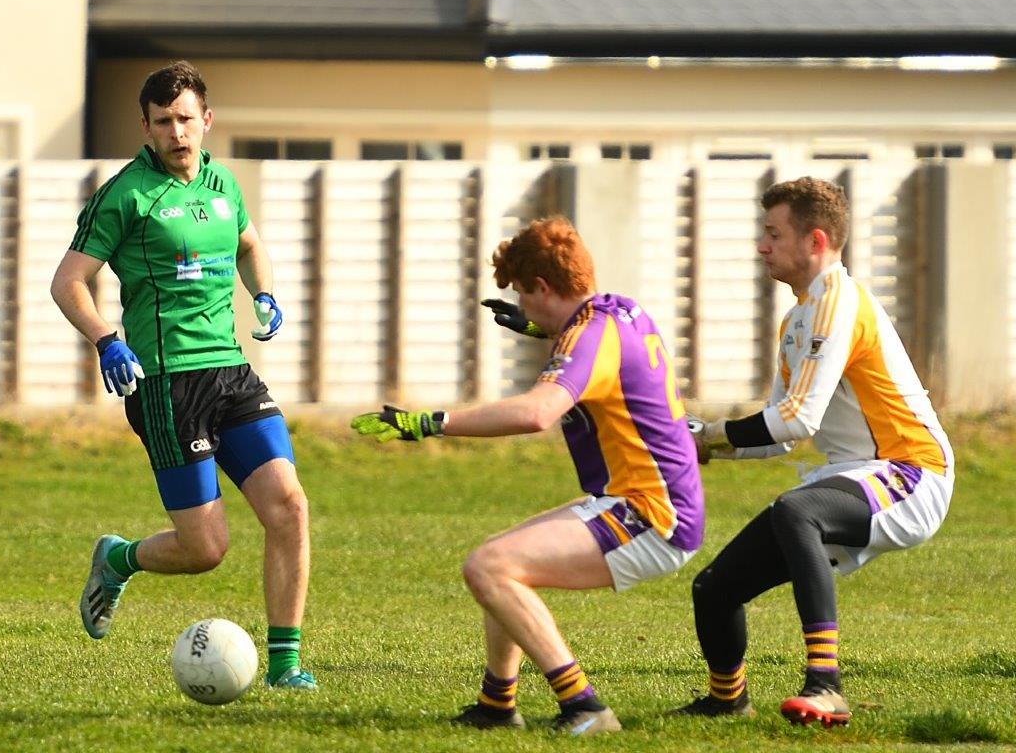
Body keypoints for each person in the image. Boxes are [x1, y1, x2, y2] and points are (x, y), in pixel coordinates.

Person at [351, 217, 704, 736]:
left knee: (488, 568)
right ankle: (498, 705)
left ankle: (584, 706)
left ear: (542, 287)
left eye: (524, 293)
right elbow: (595, 349)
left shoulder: (590, 335)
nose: (524, 303)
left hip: (652, 516)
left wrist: (429, 423)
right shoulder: (620, 310)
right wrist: (538, 326)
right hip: (645, 501)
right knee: (503, 558)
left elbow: (538, 412)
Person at [49, 61, 316, 690]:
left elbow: (249, 244)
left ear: (207, 121)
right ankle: (117, 559)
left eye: (186, 120)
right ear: (145, 126)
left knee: (291, 508)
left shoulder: (224, 182)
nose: (177, 132)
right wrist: (107, 340)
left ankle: (285, 667)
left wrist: (266, 293)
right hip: (168, 385)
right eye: (164, 122)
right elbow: (68, 282)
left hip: (232, 372)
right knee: (205, 551)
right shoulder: (125, 195)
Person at [674, 177, 954, 726]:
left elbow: (798, 420)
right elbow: (781, 432)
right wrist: (706, 440)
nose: (762, 245)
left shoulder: (839, 301)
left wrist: (710, 435)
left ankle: (826, 685)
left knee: (796, 511)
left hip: (913, 471)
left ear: (815, 240)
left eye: (773, 234)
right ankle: (726, 699)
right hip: (853, 473)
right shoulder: (799, 316)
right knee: (714, 589)